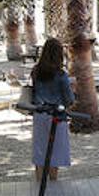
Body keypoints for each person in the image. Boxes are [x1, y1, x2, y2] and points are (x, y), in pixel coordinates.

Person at [30, 38, 75, 181]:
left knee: (40, 150)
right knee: (55, 153)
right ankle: (53, 184)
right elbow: (69, 99)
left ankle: (39, 184)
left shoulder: (36, 71)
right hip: (56, 116)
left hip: (39, 114)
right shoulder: (61, 74)